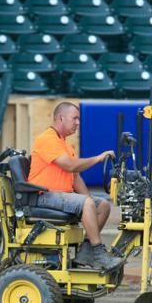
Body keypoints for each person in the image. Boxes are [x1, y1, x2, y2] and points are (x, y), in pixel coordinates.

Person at [28, 102, 123, 271]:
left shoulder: (64, 143)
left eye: (79, 118)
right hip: (43, 196)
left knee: (102, 205)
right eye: (75, 118)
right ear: (61, 118)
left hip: (61, 195)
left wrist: (88, 202)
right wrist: (97, 159)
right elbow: (70, 166)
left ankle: (85, 252)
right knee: (86, 204)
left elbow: (75, 177)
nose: (78, 122)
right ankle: (99, 252)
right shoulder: (47, 139)